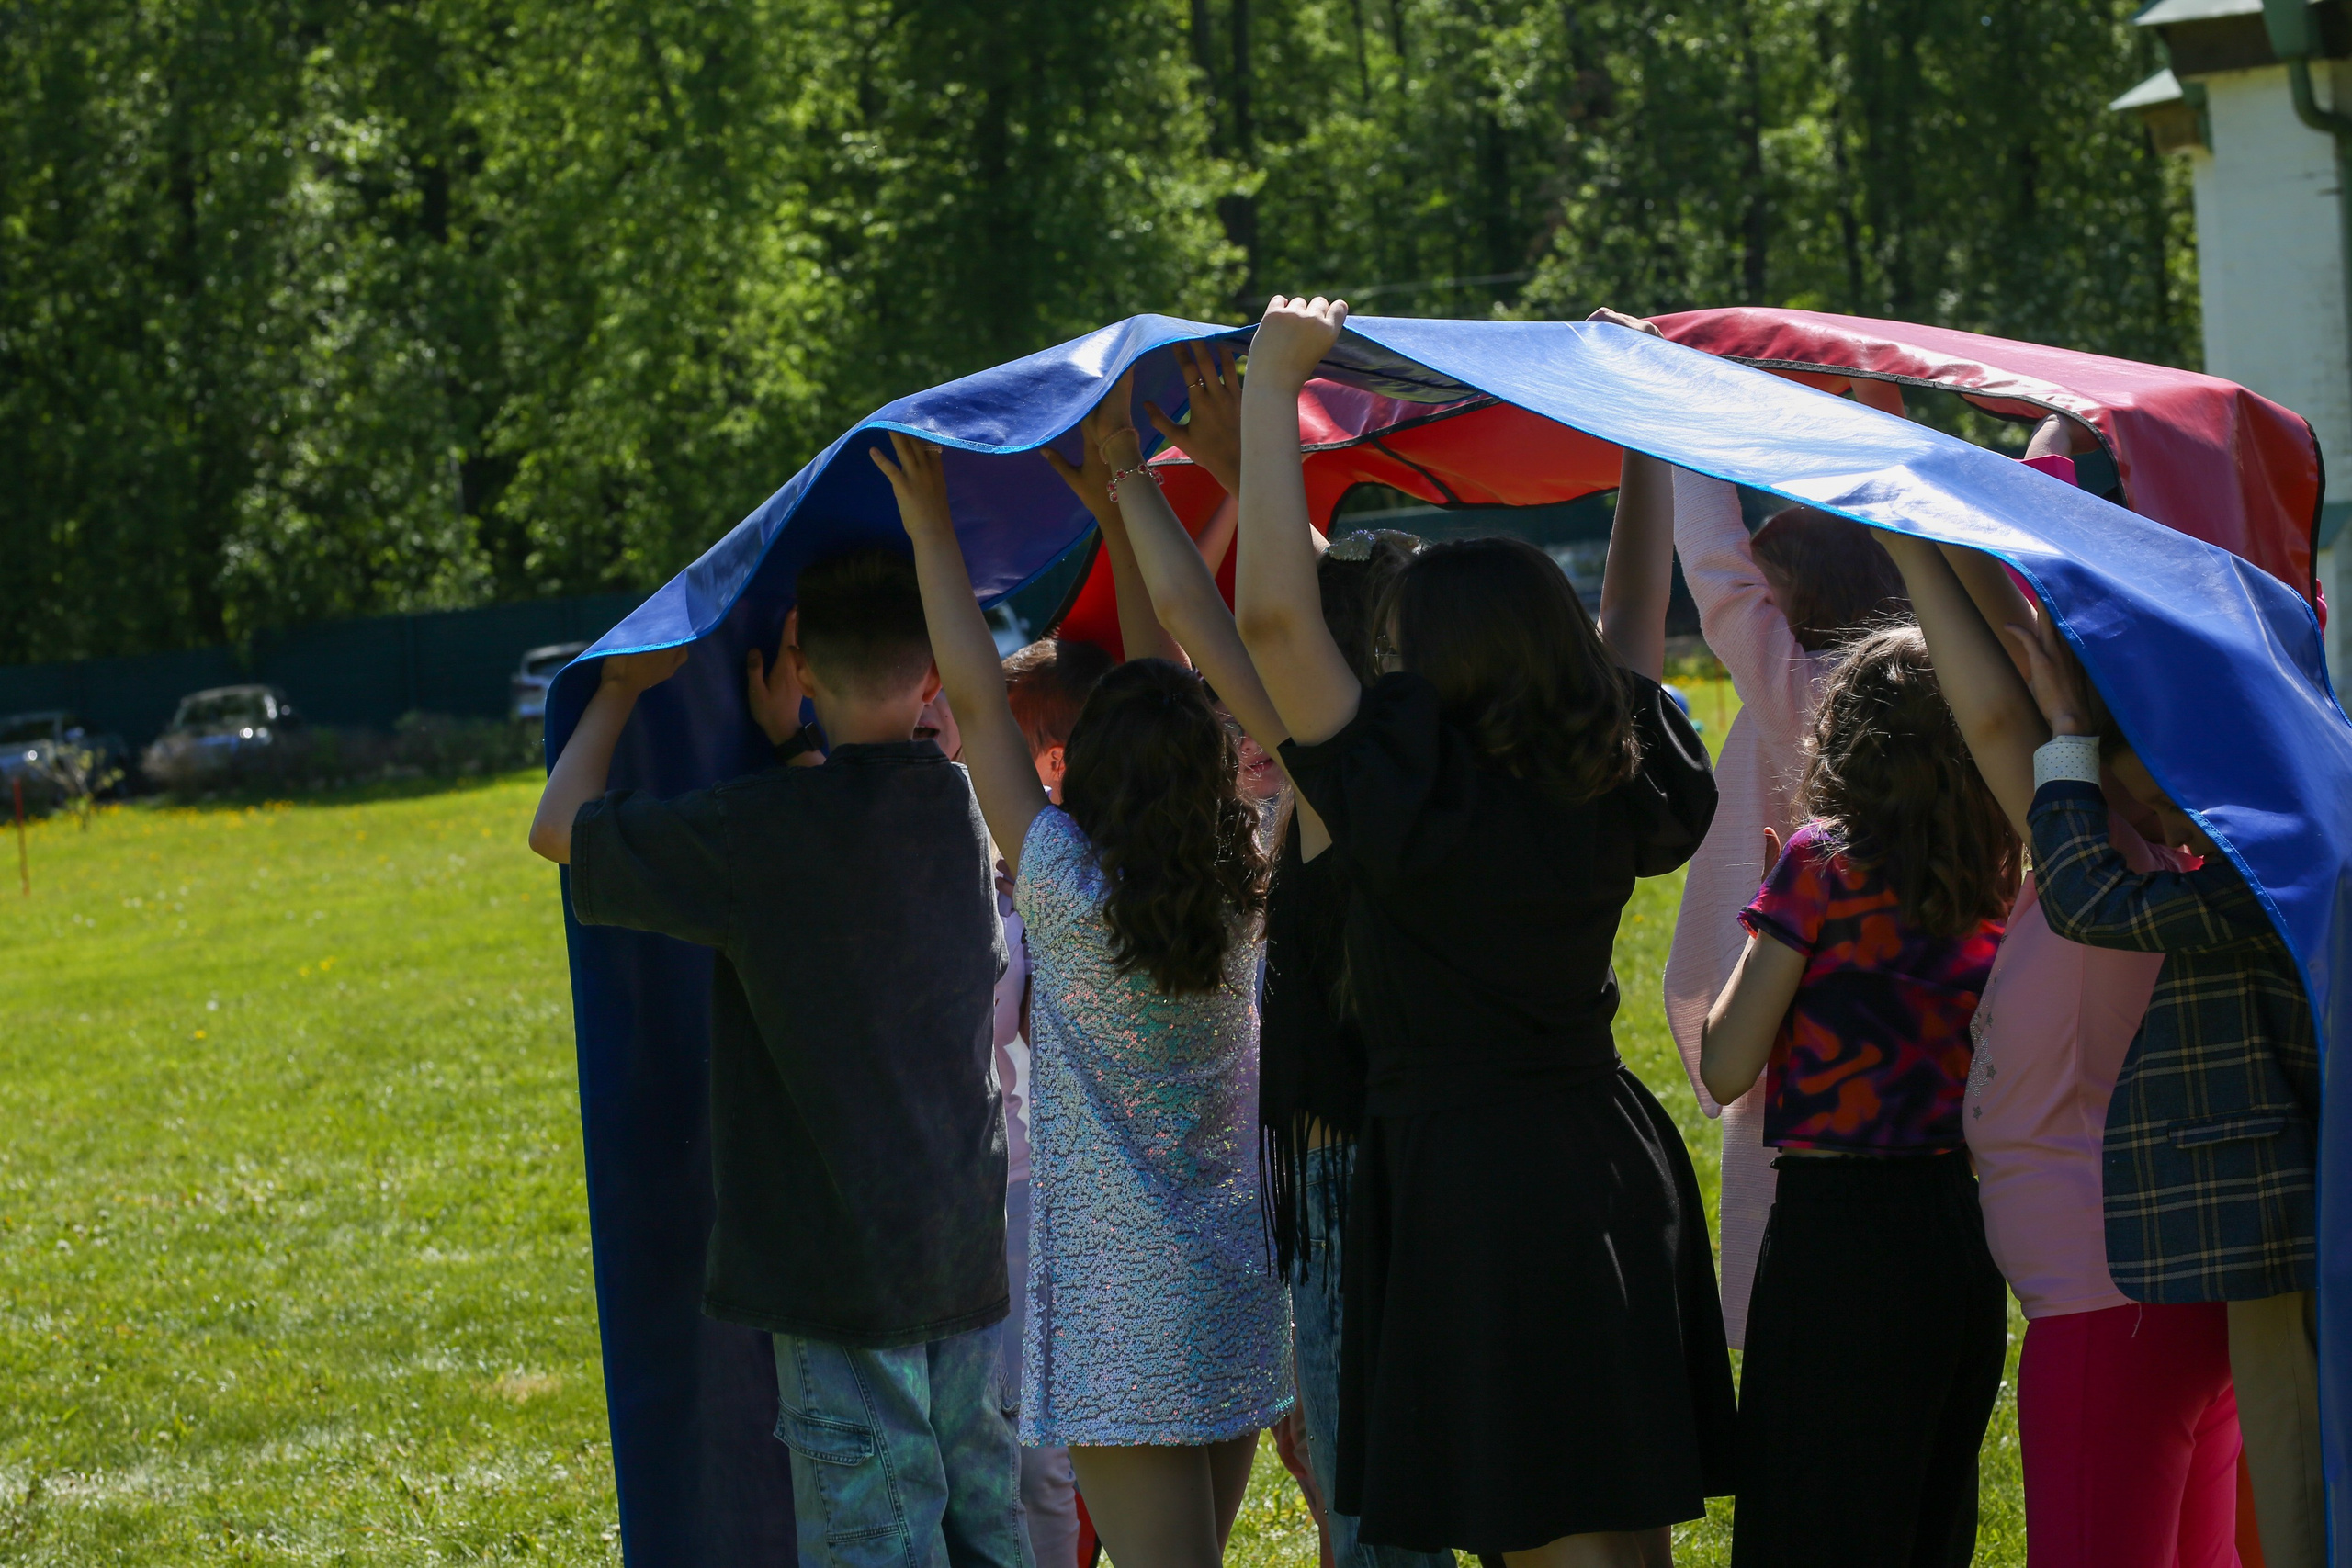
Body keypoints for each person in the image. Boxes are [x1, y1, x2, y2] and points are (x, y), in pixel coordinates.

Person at [1236, 296, 1732, 1566]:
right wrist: (1638, 432)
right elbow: (1627, 628)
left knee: (1541, 1521)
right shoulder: (1604, 764)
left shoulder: (1413, 805)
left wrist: (1274, 381)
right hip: (1608, 1149)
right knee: (1623, 1518)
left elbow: (1279, 624)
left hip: (1479, 1184)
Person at [525, 546, 1024, 1566]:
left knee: (876, 1537)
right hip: (961, 1247)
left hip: (834, 1273)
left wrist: (618, 691)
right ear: (932, 678)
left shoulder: (755, 832)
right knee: (983, 1522)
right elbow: (860, 819)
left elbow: (556, 830)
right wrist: (795, 746)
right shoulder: (958, 810)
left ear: (795, 662)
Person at [1044, 341, 1450, 1568]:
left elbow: (1197, 628)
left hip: (1340, 1182)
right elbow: (1225, 631)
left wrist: (1138, 472)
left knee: (1374, 1517)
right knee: (1392, 1508)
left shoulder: (1334, 789)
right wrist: (1205, 470)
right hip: (1451, 1159)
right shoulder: (1441, 772)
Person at [876, 429, 1291, 1568]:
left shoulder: (1063, 889)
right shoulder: (1243, 877)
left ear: (1087, 768)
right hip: (1231, 1286)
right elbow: (1167, 700)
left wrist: (927, 524)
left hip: (1123, 1322)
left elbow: (972, 687)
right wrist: (1122, 508)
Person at [1874, 530, 2244, 1567]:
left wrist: (1900, 534)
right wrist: (1913, 522)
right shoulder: (2152, 869)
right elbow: (2028, 669)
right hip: (2163, 1304)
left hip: (2105, 1313)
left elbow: (2003, 709)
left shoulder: (2114, 863)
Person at [2001, 597, 2322, 1568]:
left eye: (2137, 776)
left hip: (2282, 1231)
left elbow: (2092, 899)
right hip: (2285, 1230)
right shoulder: (2309, 812)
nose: (2148, 813)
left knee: (2300, 1484)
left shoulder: (2280, 857)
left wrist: (2062, 742)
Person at [1626, 299, 1911, 1352]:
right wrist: (1876, 405)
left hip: (1805, 996)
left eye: (1772, 584)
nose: (1758, 595)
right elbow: (1907, 523)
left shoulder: (1810, 695)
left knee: (1788, 1240)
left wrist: (1671, 398)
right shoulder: (1916, 688)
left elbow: (1713, 563)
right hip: (1904, 988)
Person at [1699, 621, 2014, 1567]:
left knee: (1814, 1519)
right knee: (1928, 1519)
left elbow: (1723, 1067)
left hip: (1840, 1238)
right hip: (1957, 1233)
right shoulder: (1996, 882)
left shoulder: (1819, 864)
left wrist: (1770, 934)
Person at [989, 638, 1111, 1568]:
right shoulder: (1009, 874)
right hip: (1021, 1190)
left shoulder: (1076, 881)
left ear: (1054, 760)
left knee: (1050, 1448)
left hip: (1061, 1200)